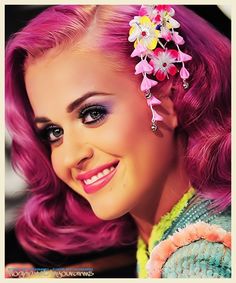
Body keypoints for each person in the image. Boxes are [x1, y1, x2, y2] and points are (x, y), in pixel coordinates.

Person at [5, 4, 231, 278]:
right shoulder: (171, 233)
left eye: (92, 114)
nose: (69, 157)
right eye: (54, 132)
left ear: (167, 99)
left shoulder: (196, 263)